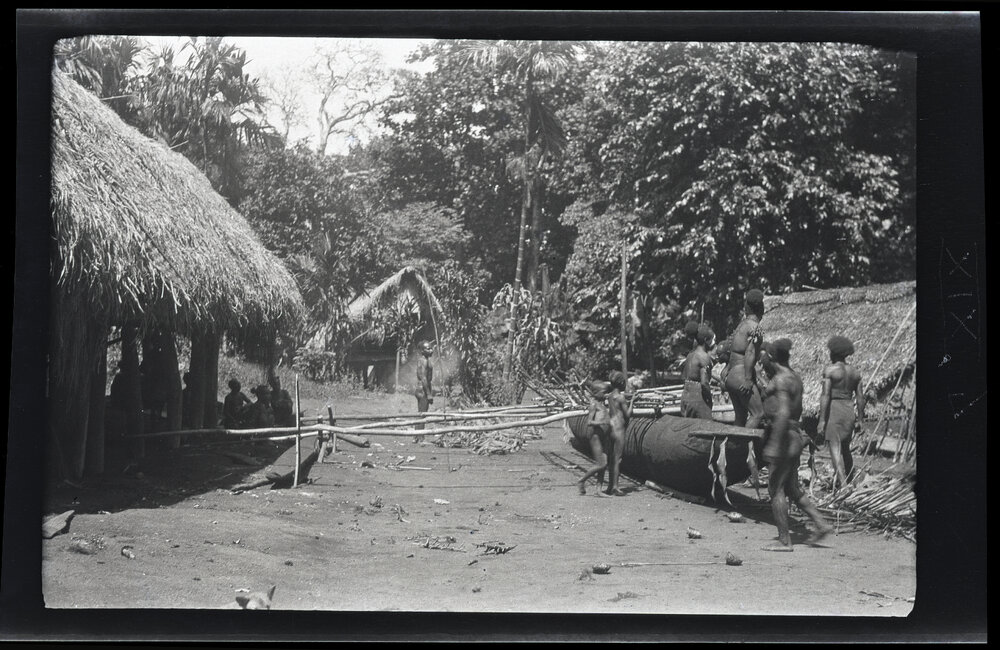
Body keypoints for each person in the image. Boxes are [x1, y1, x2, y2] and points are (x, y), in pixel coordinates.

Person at [755, 339, 832, 551]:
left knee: (775, 489)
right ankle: (821, 523)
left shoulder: (781, 380)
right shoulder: (794, 378)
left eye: (762, 356)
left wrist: (774, 444)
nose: (760, 360)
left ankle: (784, 541)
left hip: (784, 436)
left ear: (770, 357)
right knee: (791, 488)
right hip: (794, 435)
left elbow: (782, 412)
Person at [818, 335, 865, 492]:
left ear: (834, 353)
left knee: (835, 449)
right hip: (848, 410)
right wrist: (860, 419)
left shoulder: (830, 371)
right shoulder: (855, 373)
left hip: (835, 409)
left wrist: (822, 421)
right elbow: (860, 398)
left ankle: (844, 487)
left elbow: (825, 396)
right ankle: (850, 482)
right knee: (845, 448)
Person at [724, 289, 766, 428]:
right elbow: (750, 352)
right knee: (758, 414)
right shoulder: (755, 328)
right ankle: (740, 449)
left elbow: (730, 351)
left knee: (741, 416)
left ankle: (733, 447)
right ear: (761, 308)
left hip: (731, 377)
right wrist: (748, 380)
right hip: (742, 376)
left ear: (746, 308)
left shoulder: (740, 326)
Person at [577, 380, 612, 496]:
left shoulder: (602, 404)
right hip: (595, 436)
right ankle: (582, 480)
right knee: (601, 463)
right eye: (604, 392)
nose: (606, 394)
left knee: (605, 462)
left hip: (603, 435)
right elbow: (589, 422)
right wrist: (603, 422)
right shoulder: (593, 405)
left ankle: (599, 490)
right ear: (596, 393)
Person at [606, 370, 636, 496]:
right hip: (619, 430)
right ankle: (615, 487)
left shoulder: (609, 396)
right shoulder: (621, 397)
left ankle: (609, 485)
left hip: (610, 428)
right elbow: (628, 414)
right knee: (618, 459)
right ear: (621, 383)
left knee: (611, 458)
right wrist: (633, 401)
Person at [680, 323, 715, 420]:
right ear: (705, 340)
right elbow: (704, 383)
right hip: (698, 396)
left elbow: (684, 377)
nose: (713, 342)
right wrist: (709, 399)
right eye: (712, 339)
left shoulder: (690, 356)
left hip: (685, 396)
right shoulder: (704, 357)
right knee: (706, 428)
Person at [414, 340, 434, 433]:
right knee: (422, 413)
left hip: (424, 389)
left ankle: (417, 435)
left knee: (421, 413)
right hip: (422, 390)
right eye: (428, 349)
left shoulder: (426, 360)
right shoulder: (423, 361)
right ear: (422, 351)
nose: (431, 350)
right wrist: (429, 394)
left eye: (431, 348)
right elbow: (424, 378)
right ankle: (420, 436)